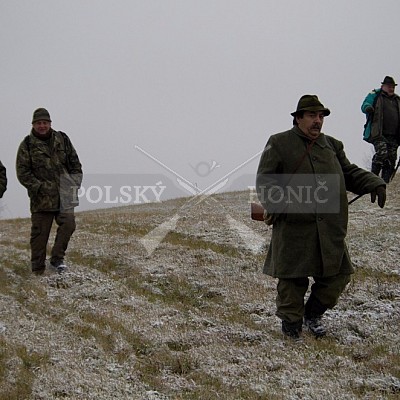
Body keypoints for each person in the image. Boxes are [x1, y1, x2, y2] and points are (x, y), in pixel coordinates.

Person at [256, 94, 386, 340]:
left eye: (321, 116)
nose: (318, 121)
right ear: (298, 118)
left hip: (329, 226)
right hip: (294, 225)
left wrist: (374, 182)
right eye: (312, 116)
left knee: (338, 275)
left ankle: (312, 315)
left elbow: (348, 172)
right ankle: (291, 324)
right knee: (292, 280)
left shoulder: (332, 145)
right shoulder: (279, 142)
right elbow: (265, 180)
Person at [16, 108, 82, 274]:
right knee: (40, 236)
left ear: (50, 123)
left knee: (69, 225)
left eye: (45, 122)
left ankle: (57, 260)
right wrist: (39, 187)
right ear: (33, 125)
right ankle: (37, 269)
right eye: (39, 123)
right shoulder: (27, 145)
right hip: (41, 199)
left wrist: (74, 183)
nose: (42, 126)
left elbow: (75, 164)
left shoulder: (62, 139)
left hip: (65, 196)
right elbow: (22, 172)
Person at [361, 76, 400, 183]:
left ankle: (385, 182)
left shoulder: (397, 100)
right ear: (383, 86)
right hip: (378, 133)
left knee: (392, 158)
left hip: (394, 135)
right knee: (382, 153)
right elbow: (365, 105)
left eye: (393, 87)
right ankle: (373, 178)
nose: (391, 89)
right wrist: (368, 108)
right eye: (389, 86)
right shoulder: (375, 95)